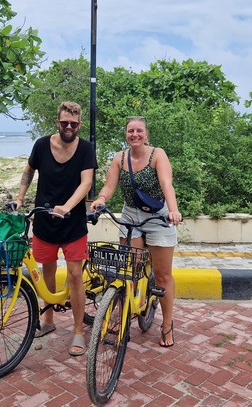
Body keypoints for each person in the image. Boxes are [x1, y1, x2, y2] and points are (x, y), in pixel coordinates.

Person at [90, 116, 181, 348]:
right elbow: (110, 186)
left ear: (146, 133)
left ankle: (167, 324)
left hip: (158, 215)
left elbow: (166, 183)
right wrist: (101, 199)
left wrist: (173, 210)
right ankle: (124, 317)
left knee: (163, 275)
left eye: (139, 130)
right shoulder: (120, 158)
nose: (135, 134)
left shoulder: (157, 155)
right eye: (131, 131)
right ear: (126, 134)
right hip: (130, 214)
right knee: (128, 271)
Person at [15, 101, 98, 356]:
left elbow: (86, 184)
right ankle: (48, 321)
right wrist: (19, 199)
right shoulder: (41, 145)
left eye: (73, 123)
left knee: (74, 275)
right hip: (44, 220)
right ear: (57, 122)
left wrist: (68, 206)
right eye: (65, 123)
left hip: (72, 222)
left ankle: (76, 331)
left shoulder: (85, 149)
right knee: (46, 271)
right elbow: (28, 172)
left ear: (79, 124)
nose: (69, 127)